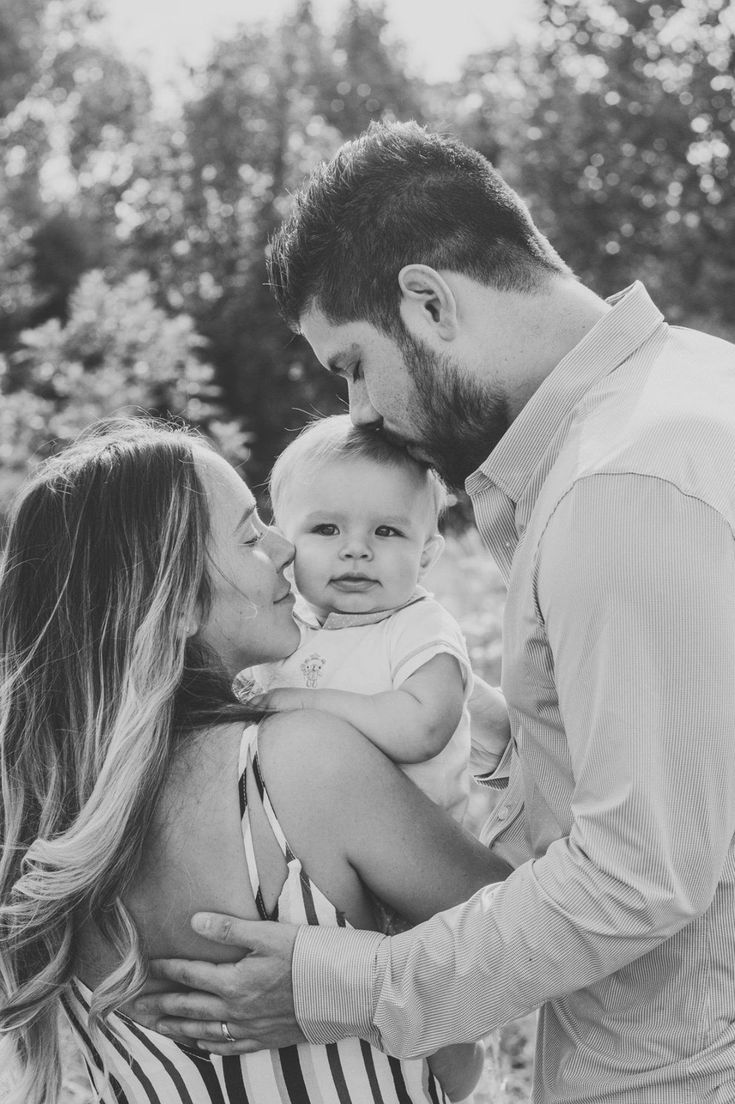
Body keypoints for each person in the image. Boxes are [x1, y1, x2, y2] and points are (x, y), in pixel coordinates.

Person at [129, 121, 735, 1102]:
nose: (360, 415)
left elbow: (637, 878)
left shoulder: (620, 484)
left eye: (354, 366)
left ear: (428, 302)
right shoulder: (690, 391)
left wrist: (340, 981)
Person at [0, 418, 513, 1104]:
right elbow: (536, 937)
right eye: (248, 534)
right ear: (176, 601)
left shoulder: (43, 820)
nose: (281, 547)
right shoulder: (299, 761)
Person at [238, 413, 509, 826]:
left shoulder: (420, 628)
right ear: (286, 545)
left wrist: (304, 703)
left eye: (386, 531)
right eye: (327, 529)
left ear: (425, 557)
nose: (356, 549)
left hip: (409, 847)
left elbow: (424, 728)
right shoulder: (285, 628)